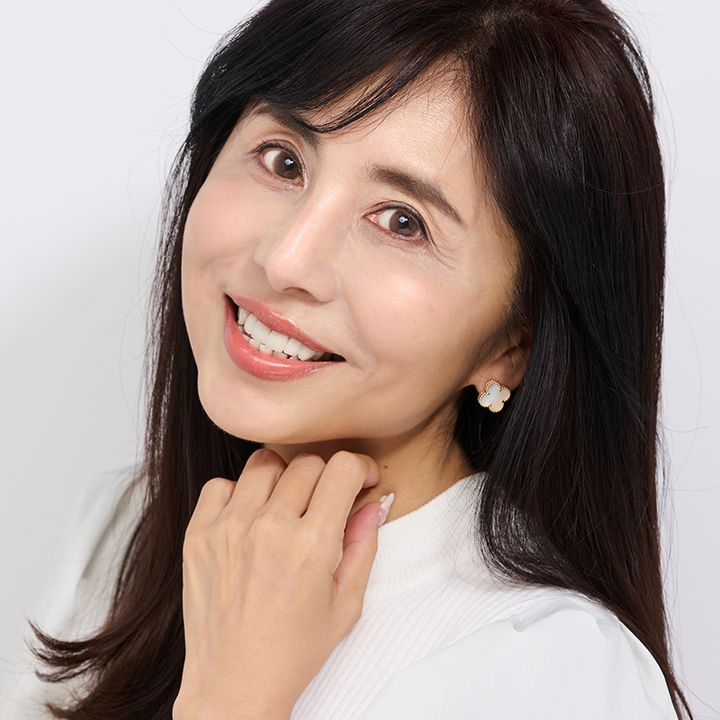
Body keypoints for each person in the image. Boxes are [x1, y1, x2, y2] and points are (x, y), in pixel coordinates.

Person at [0, 0, 693, 718]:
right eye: (283, 160)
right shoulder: (126, 524)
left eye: (402, 222)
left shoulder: (554, 672)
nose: (286, 259)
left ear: (511, 346)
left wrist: (233, 698)